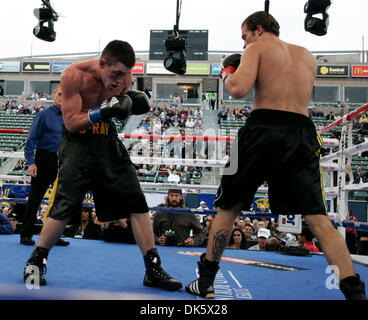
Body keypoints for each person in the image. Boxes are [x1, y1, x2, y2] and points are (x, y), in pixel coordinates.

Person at [185, 11, 366, 300]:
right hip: (302, 132)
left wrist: (227, 73)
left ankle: (205, 281)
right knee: (318, 218)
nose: (244, 45)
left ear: (257, 30)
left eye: (244, 37)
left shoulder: (257, 48)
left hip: (261, 130)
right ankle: (355, 293)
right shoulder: (306, 55)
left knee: (229, 207)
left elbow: (239, 89)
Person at [23, 40, 182, 292]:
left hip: (107, 141)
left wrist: (129, 103)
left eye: (125, 75)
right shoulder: (73, 76)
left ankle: (153, 269)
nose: (120, 81)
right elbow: (72, 123)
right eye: (116, 74)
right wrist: (102, 111)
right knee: (63, 206)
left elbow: (121, 107)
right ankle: (35, 262)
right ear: (102, 63)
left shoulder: (125, 77)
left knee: (137, 202)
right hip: (77, 144)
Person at [20, 85, 69, 246]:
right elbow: (31, 139)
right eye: (60, 94)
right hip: (44, 159)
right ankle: (26, 233)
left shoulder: (70, 116)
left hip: (64, 160)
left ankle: (54, 235)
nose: (63, 97)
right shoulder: (43, 115)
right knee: (35, 198)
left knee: (60, 200)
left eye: (66, 94)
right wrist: (31, 162)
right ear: (53, 95)